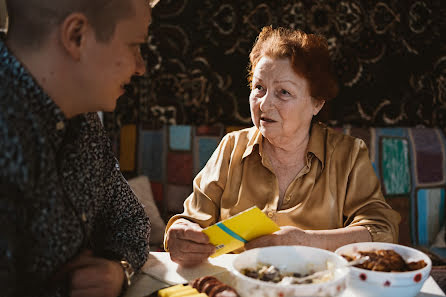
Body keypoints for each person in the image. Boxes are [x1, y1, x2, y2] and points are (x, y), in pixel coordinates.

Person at [164, 26, 401, 267]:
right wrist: (182, 233)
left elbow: (382, 230)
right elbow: (191, 221)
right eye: (259, 88)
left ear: (316, 103)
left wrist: (303, 241)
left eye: (283, 92)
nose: (265, 105)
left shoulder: (348, 155)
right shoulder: (231, 147)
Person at [0, 0, 159, 296]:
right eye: (133, 45)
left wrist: (116, 267)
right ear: (76, 36)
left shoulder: (83, 119)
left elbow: (131, 221)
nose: (140, 67)